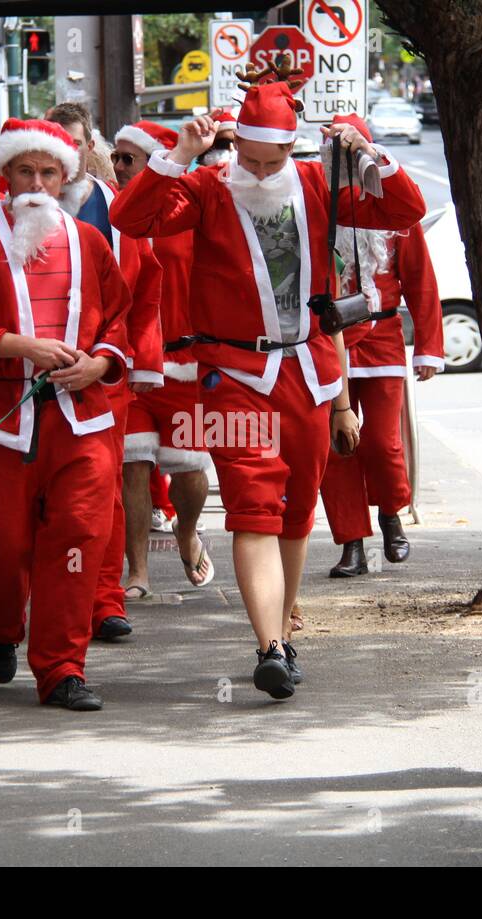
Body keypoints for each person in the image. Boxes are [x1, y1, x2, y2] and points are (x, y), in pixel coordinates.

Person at [110, 73, 426, 699]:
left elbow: (405, 211)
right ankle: (269, 646)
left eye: (271, 157)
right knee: (254, 505)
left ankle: (284, 629)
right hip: (233, 374)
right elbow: (132, 216)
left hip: (307, 371)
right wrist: (177, 156)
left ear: (291, 148)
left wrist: (370, 154)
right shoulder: (208, 185)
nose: (256, 169)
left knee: (297, 511)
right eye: (248, 157)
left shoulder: (316, 184)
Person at [0, 117, 132, 711]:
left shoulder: (91, 241)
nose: (38, 183)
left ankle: (62, 669)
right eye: (27, 170)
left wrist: (101, 363)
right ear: (5, 173)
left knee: (77, 540)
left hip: (82, 421)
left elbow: (119, 320)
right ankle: (1, 627)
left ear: (65, 177)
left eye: (50, 172)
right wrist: (22, 346)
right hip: (2, 421)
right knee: (0, 543)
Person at [48, 103, 165, 642]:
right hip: (35, 381)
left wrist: (136, 361)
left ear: (87, 143)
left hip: (103, 371)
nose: (66, 158)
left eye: (75, 144)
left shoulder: (116, 207)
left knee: (106, 491)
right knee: (43, 501)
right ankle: (43, 602)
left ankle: (105, 600)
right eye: (55, 147)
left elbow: (143, 292)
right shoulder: (17, 213)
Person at [317, 113, 443, 578]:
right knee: (337, 447)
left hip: (385, 339)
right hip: (333, 343)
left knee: (383, 442)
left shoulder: (395, 216)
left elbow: (422, 283)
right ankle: (352, 542)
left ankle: (391, 514)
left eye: (354, 153)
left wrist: (429, 347)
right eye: (339, 155)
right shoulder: (321, 205)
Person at [110, 121, 215, 598]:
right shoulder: (109, 212)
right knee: (133, 466)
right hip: (130, 366)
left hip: (187, 363)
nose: (118, 165)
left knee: (190, 474)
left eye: (128, 158)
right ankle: (138, 572)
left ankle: (187, 530)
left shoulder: (190, 207)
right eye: (115, 156)